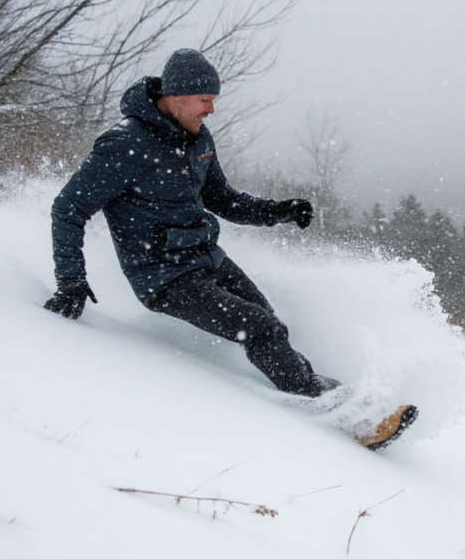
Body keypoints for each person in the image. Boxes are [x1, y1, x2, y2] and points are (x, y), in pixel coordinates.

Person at [44, 49, 339, 399]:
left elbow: (222, 199)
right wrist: (71, 280)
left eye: (213, 100)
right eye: (205, 100)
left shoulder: (199, 138)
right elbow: (67, 209)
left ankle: (306, 385)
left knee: (268, 319)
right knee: (258, 325)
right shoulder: (125, 144)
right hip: (164, 277)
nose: (210, 109)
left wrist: (279, 211)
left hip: (205, 256)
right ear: (176, 96)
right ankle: (320, 402)